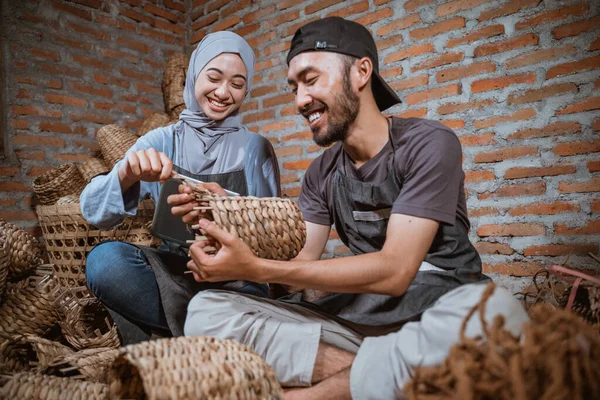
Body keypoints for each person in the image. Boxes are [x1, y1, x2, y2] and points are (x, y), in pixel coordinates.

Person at [182, 17, 529, 399]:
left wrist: (256, 268)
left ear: (362, 71)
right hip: (360, 321)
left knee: (500, 312)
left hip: (439, 309)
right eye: (294, 87)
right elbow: (298, 270)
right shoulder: (322, 173)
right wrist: (226, 211)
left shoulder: (429, 143)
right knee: (206, 310)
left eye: (311, 80)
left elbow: (396, 272)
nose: (300, 100)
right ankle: (396, 375)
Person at [80, 31, 280, 345]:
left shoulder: (256, 149)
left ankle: (183, 336)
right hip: (177, 276)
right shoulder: (161, 140)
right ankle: (220, 332)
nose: (223, 92)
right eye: (213, 78)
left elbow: (276, 232)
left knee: (243, 299)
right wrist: (126, 175)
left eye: (237, 84)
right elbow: (92, 211)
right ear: (194, 75)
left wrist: (227, 203)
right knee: (105, 262)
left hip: (238, 281)